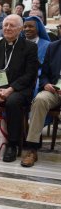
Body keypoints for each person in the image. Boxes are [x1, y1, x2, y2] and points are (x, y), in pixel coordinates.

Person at [0, 14, 38, 162]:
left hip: (19, 89)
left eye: (11, 25)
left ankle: (12, 144)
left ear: (20, 29)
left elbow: (30, 75)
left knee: (12, 102)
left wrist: (10, 89)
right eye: (5, 25)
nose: (7, 28)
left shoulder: (30, 47)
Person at [22, 38, 61, 167]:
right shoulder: (53, 47)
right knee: (40, 100)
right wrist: (45, 84)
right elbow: (44, 74)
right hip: (55, 90)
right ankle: (32, 148)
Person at [22, 16, 51, 96]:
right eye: (25, 26)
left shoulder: (47, 45)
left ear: (38, 28)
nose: (27, 29)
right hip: (19, 75)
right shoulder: (18, 43)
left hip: (39, 75)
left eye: (31, 26)